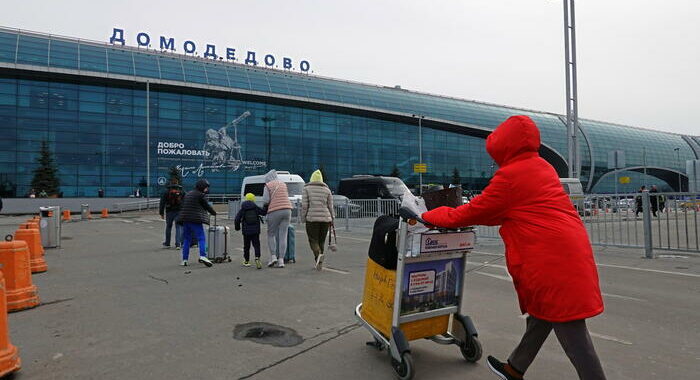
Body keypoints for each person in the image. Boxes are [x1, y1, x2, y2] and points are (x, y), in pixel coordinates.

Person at [421, 115, 606, 380]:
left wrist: (429, 215)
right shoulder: (542, 167)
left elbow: (471, 213)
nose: (493, 160)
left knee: (574, 337)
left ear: (503, 147)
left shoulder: (510, 176)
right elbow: (506, 211)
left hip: (551, 262)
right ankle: (514, 369)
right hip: (570, 251)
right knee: (542, 315)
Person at [176, 179, 216, 267]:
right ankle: (203, 256)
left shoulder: (188, 194)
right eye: (206, 188)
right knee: (201, 238)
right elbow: (206, 206)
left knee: (187, 240)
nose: (206, 190)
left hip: (185, 219)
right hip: (195, 220)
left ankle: (184, 260)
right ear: (202, 187)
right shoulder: (200, 195)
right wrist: (214, 213)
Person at [301, 169, 334, 270]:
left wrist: (303, 218)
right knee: (321, 241)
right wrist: (332, 218)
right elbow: (330, 206)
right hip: (325, 219)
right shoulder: (327, 190)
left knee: (313, 240)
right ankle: (319, 263)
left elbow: (304, 206)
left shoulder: (306, 189)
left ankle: (318, 255)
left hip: (312, 219)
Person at [262, 169, 292, 268]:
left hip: (274, 211)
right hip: (287, 210)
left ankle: (273, 256)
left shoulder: (268, 185)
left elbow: (266, 201)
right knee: (283, 235)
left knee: (271, 234)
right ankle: (281, 260)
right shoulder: (283, 184)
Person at [234, 193, 266, 269]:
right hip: (255, 230)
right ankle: (257, 257)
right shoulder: (255, 207)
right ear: (253, 199)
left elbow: (237, 219)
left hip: (246, 231)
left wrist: (237, 227)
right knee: (256, 245)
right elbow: (263, 213)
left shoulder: (243, 209)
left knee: (246, 246)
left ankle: (246, 261)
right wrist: (266, 206)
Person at [159, 180, 184, 249]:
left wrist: (161, 213)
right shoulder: (181, 192)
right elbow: (185, 201)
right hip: (179, 211)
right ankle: (178, 244)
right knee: (178, 227)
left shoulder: (166, 192)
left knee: (168, 227)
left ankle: (167, 243)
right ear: (177, 184)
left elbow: (162, 203)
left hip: (169, 212)